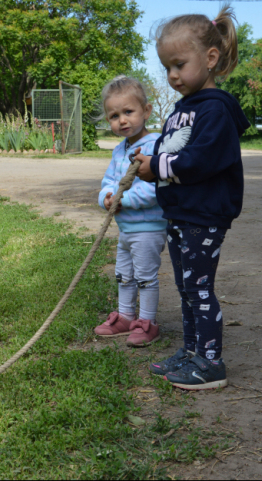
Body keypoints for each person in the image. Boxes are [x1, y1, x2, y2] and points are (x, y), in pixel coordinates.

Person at [132, 7, 251, 390]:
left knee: (199, 288)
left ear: (210, 59)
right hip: (181, 215)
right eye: (167, 67)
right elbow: (172, 151)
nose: (171, 76)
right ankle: (191, 351)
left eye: (179, 64)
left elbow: (200, 161)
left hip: (204, 215)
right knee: (186, 288)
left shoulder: (215, 110)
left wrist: (158, 166)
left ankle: (211, 362)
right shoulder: (185, 109)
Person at [94, 76, 166, 347]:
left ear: (146, 111)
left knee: (145, 276)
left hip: (149, 228)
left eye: (128, 112)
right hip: (126, 229)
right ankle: (125, 316)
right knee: (124, 273)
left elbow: (156, 187)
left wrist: (126, 200)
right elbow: (109, 181)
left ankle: (147, 322)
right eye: (114, 115)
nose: (122, 120)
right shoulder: (118, 150)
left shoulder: (156, 145)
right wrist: (107, 198)